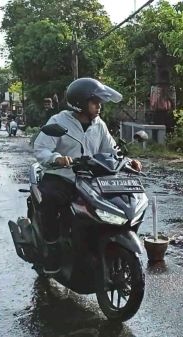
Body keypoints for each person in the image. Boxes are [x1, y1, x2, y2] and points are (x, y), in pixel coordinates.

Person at [34, 77, 142, 273]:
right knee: (50, 200)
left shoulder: (98, 124)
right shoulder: (58, 121)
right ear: (80, 103)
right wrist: (57, 158)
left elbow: (112, 150)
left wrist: (128, 162)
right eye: (95, 102)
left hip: (91, 177)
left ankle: (95, 243)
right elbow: (41, 149)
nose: (99, 106)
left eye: (99, 102)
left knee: (113, 203)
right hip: (62, 175)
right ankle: (51, 250)